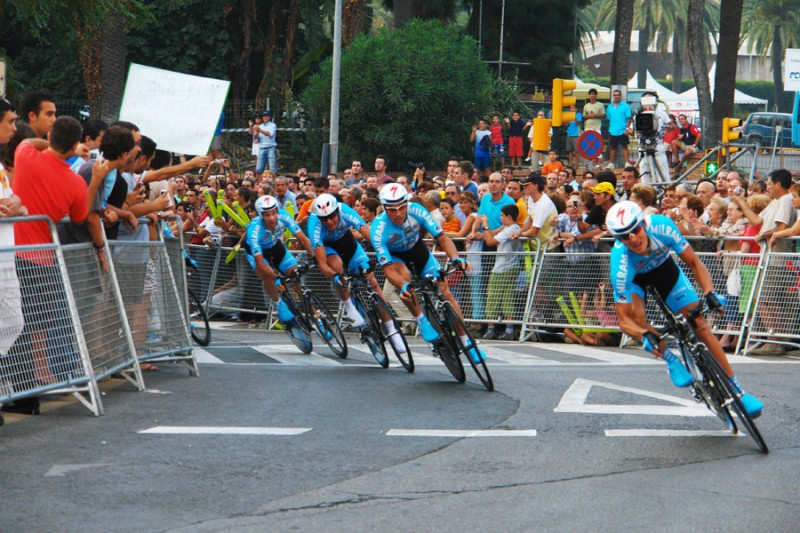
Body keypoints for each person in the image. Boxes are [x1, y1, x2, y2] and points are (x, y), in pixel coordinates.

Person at [606, 200, 762, 417]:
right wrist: (643, 335)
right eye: (624, 236)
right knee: (638, 319)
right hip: (636, 281)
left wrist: (710, 293)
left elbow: (694, 263)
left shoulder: (662, 226)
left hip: (665, 271)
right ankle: (671, 359)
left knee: (699, 323)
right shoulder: (620, 263)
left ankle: (737, 390)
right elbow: (624, 321)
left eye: (635, 230)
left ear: (643, 223)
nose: (632, 238)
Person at [370, 184, 486, 363]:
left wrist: (456, 258)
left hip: (419, 251)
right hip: (396, 258)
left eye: (402, 207)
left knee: (444, 291)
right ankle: (421, 319)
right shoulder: (378, 229)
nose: (398, 213)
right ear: (384, 208)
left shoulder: (417, 210)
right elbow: (388, 269)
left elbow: (442, 237)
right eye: (392, 210)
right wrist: (402, 285)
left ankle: (466, 341)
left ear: (407, 204)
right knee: (405, 282)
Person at [244, 195, 313, 328]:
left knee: (296, 278)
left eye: (274, 213)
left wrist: (315, 257)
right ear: (260, 215)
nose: (272, 218)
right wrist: (275, 277)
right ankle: (279, 304)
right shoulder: (254, 229)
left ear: (277, 211)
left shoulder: (284, 216)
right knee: (268, 278)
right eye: (267, 215)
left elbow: (303, 239)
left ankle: (316, 316)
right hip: (258, 254)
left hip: (275, 246)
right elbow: (260, 262)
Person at [480, 204, 522, 340]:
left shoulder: (511, 229)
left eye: (502, 216)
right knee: (506, 297)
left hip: (502, 268)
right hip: (511, 267)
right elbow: (492, 235)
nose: (500, 218)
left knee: (493, 296)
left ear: (509, 217)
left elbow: (490, 241)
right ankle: (509, 329)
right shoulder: (510, 228)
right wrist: (488, 229)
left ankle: (491, 328)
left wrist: (485, 225)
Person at [606, 89, 632, 168]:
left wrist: (627, 129)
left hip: (623, 130)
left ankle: (627, 162)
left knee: (624, 146)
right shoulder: (609, 107)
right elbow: (609, 117)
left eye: (617, 95)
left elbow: (628, 118)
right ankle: (611, 163)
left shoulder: (625, 106)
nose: (616, 96)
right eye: (614, 95)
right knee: (612, 147)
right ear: (613, 96)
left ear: (620, 96)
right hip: (613, 130)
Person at [582, 88, 605, 169]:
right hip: (588, 128)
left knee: (597, 145)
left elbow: (603, 115)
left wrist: (596, 115)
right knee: (587, 145)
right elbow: (584, 116)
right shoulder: (586, 106)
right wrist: (588, 116)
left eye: (593, 94)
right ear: (589, 95)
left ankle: (597, 163)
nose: (592, 96)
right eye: (591, 94)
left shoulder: (600, 105)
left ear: (596, 95)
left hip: (597, 128)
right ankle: (588, 163)